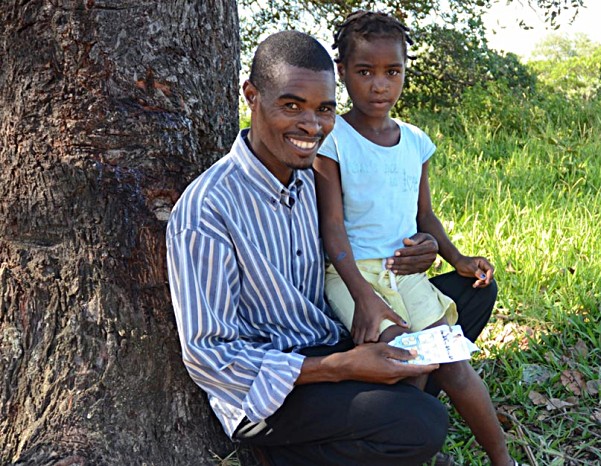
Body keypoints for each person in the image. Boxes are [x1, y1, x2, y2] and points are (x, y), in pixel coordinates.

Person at [167, 30, 473, 466]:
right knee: (422, 422)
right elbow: (208, 355)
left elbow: (366, 239)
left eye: (324, 109)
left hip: (332, 336)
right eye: (291, 106)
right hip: (272, 388)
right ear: (252, 96)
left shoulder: (318, 178)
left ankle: (378, 415)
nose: (312, 126)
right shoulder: (207, 210)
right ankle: (281, 456)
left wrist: (421, 249)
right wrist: (343, 367)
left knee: (467, 302)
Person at [313, 11, 514, 466]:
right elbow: (332, 227)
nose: (379, 85)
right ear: (342, 72)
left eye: (392, 72)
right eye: (364, 72)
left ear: (405, 72)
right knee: (404, 362)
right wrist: (362, 296)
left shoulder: (416, 142)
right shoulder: (333, 139)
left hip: (406, 275)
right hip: (352, 275)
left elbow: (424, 213)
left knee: (454, 364)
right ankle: (414, 452)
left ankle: (504, 459)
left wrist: (457, 258)